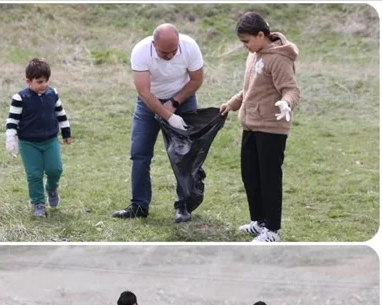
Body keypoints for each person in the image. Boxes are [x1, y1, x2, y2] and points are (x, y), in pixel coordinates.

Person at [113, 24, 205, 223]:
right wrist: (168, 115)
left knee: (185, 154)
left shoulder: (189, 47)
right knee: (139, 152)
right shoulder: (141, 51)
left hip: (183, 99)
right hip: (149, 102)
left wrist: (175, 103)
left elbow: (196, 80)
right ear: (154, 44)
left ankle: (184, 206)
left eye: (174, 51)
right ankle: (139, 205)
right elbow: (144, 92)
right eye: (165, 52)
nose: (171, 55)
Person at [220, 13, 300, 243]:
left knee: (269, 179)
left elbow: (291, 89)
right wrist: (232, 104)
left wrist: (287, 103)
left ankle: (272, 231)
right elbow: (251, 89)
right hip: (251, 125)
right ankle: (259, 222)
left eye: (246, 41)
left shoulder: (279, 58)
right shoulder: (254, 55)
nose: (244, 46)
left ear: (261, 35)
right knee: (251, 176)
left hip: (272, 128)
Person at [5, 58, 71, 218]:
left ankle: (52, 189)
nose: (44, 85)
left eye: (46, 81)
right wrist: (11, 138)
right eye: (39, 81)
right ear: (28, 81)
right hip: (29, 144)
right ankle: (38, 203)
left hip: (50, 141)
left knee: (55, 169)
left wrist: (66, 132)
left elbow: (60, 113)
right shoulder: (20, 98)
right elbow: (12, 120)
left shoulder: (52, 94)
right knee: (34, 174)